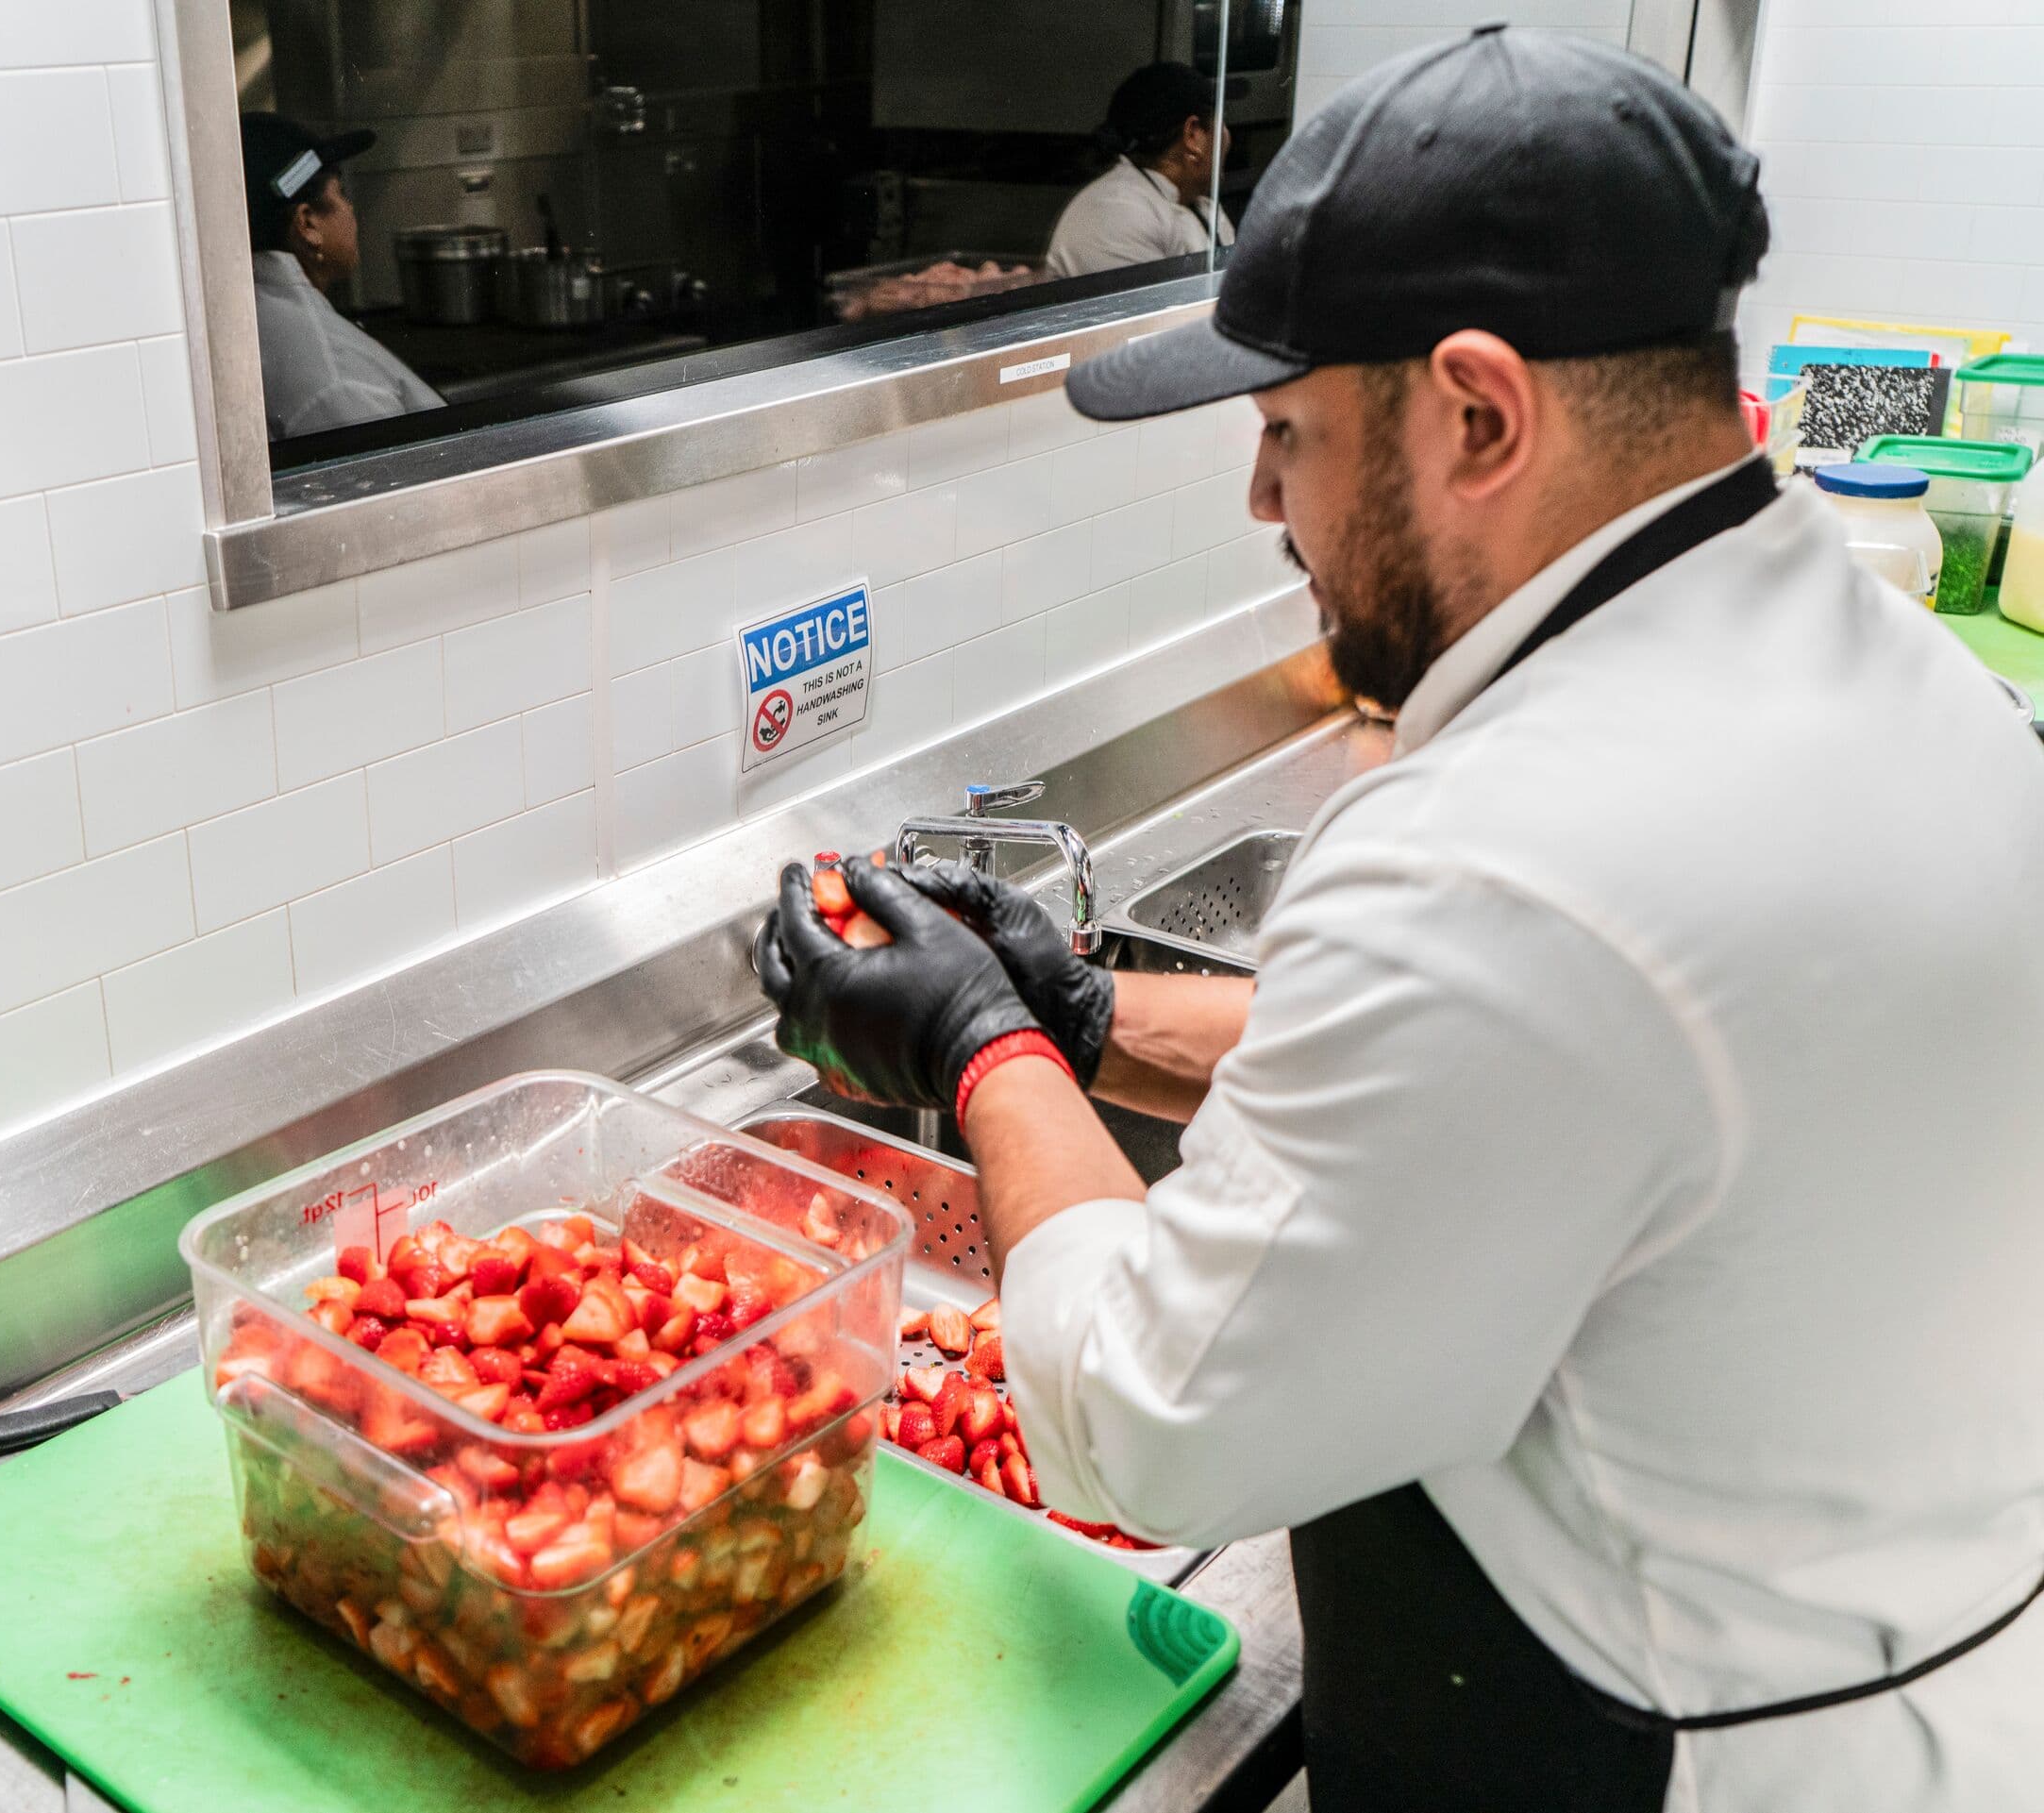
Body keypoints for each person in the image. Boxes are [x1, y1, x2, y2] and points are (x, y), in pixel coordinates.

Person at [761, 27, 2044, 1813]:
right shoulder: (1879, 657)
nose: (1265, 501)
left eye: (1290, 432)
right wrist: (1081, 1012)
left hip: (1655, 1758)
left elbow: (1145, 1419)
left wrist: (978, 1052)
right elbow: (1524, 1089)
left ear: (1479, 411)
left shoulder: (1501, 858)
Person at [241, 112, 442, 440]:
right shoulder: (340, 379)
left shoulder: (260, 314)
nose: (351, 210)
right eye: (341, 194)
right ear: (307, 225)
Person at [1043, 62, 1235, 279]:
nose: (1228, 136)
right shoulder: (1118, 212)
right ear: (1193, 135)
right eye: (1222, 121)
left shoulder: (1201, 208)